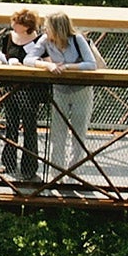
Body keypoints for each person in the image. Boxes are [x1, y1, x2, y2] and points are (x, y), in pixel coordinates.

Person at [36, 9, 102, 178]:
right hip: (59, 90)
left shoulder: (77, 39)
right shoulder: (46, 41)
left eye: (47, 27)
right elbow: (29, 58)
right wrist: (48, 66)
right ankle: (56, 172)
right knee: (58, 132)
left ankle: (75, 172)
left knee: (79, 132)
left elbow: (91, 64)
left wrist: (67, 67)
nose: (44, 30)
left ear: (57, 28)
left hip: (82, 90)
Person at [0, 7, 45, 180]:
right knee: (11, 125)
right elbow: (1, 58)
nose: (12, 24)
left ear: (26, 25)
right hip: (10, 88)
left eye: (16, 22)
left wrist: (29, 65)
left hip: (30, 90)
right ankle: (8, 162)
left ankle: (29, 167)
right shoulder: (8, 37)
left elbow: (46, 61)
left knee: (29, 127)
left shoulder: (40, 40)